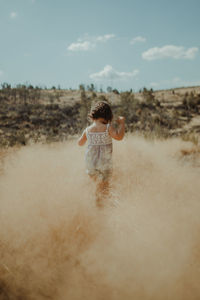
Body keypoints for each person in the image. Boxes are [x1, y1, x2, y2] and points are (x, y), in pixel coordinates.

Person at [78, 101, 125, 207]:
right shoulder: (108, 127)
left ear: (93, 114)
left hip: (91, 163)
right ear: (108, 115)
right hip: (104, 163)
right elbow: (119, 137)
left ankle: (96, 205)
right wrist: (122, 123)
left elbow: (80, 143)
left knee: (95, 186)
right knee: (104, 188)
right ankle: (103, 208)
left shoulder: (88, 130)